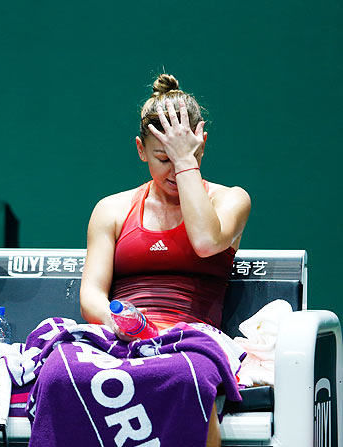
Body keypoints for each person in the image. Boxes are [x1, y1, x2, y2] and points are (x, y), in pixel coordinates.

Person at [27, 74, 250, 447]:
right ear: (141, 150)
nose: (174, 170)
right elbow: (92, 295)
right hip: (120, 333)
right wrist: (127, 326)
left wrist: (183, 161)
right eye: (163, 158)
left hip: (191, 339)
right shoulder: (111, 209)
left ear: (203, 144)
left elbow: (207, 241)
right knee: (59, 373)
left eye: (187, 155)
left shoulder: (231, 200)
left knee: (186, 376)